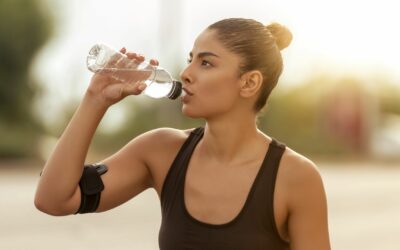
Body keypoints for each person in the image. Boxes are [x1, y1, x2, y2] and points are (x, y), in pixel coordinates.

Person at [34, 18, 331, 249]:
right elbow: (54, 199)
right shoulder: (161, 150)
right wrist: (95, 100)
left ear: (250, 83)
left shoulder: (296, 178)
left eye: (206, 62)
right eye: (190, 58)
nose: (186, 72)